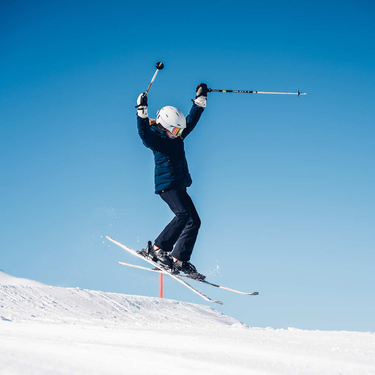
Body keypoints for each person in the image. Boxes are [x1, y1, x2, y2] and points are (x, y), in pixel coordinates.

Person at [135, 83, 208, 280]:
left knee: (195, 221)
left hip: (180, 185)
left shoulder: (175, 136)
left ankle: (179, 259)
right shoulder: (156, 139)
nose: (178, 136)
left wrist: (200, 101)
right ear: (163, 126)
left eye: (179, 132)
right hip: (167, 187)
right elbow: (143, 133)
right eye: (174, 131)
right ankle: (158, 249)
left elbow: (191, 122)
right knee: (183, 215)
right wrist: (142, 111)